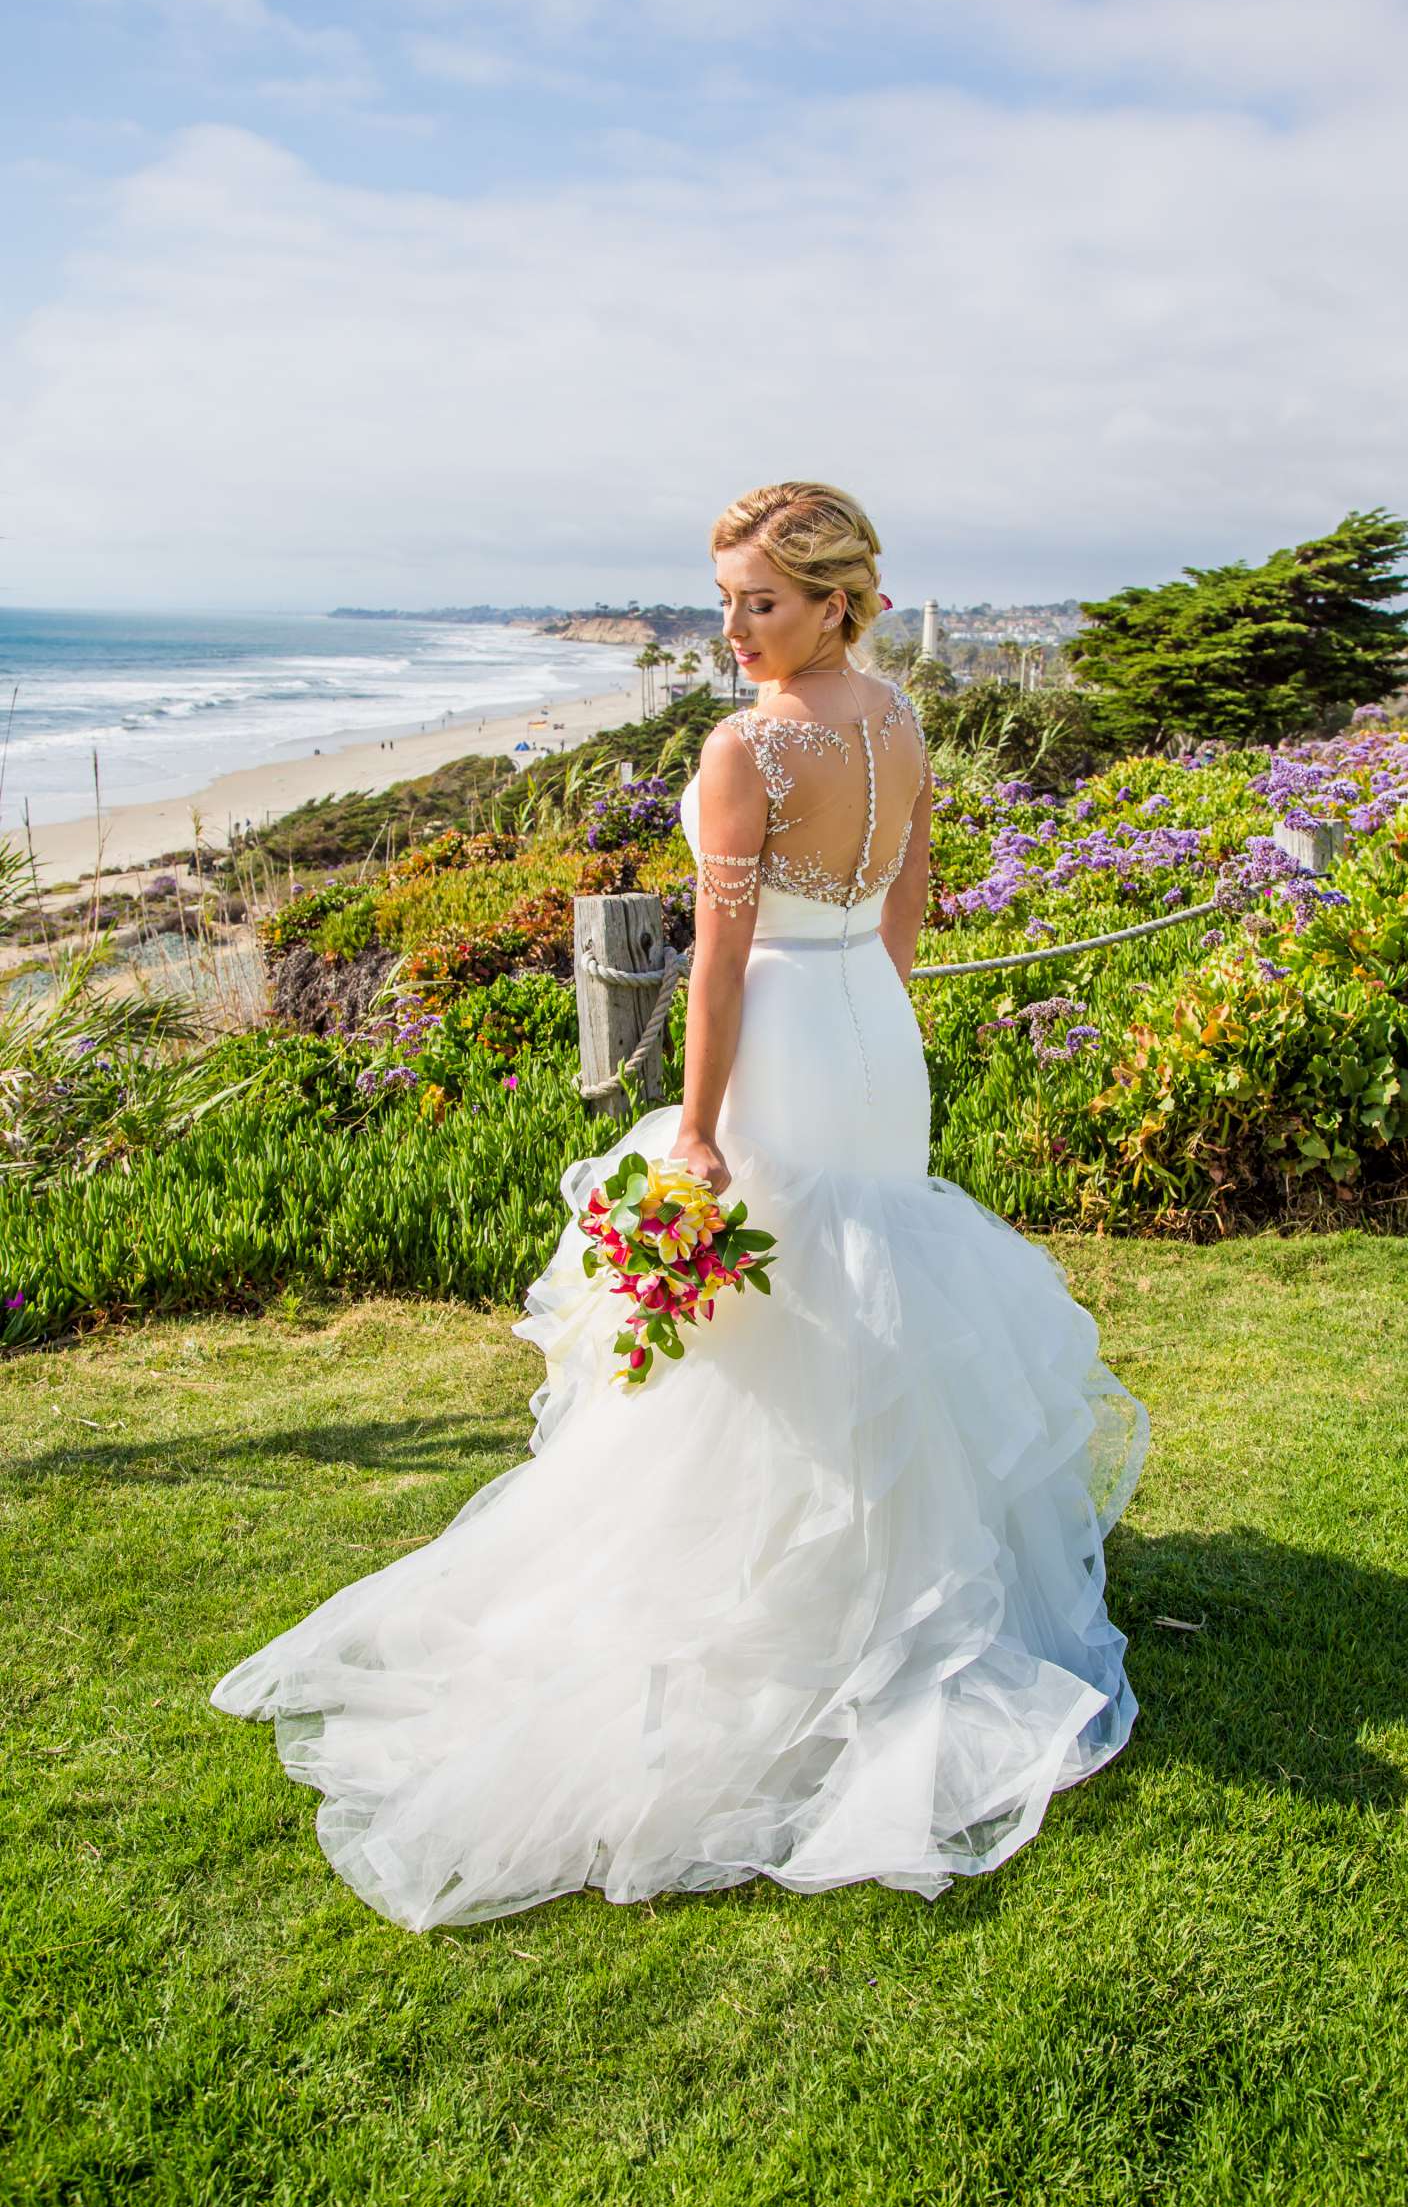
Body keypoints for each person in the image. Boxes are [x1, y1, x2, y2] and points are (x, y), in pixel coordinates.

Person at [210, 481, 1150, 1930]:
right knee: (861, 1297)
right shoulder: (896, 720)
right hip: (871, 1035)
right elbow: (907, 902)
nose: (732, 628)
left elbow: (714, 963)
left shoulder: (747, 749)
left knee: (772, 1315)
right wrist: (873, 1014)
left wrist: (698, 1134)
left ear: (835, 597)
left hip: (778, 1030)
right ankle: (887, 1583)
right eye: (723, 598)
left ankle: (784, 1612)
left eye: (758, 602)